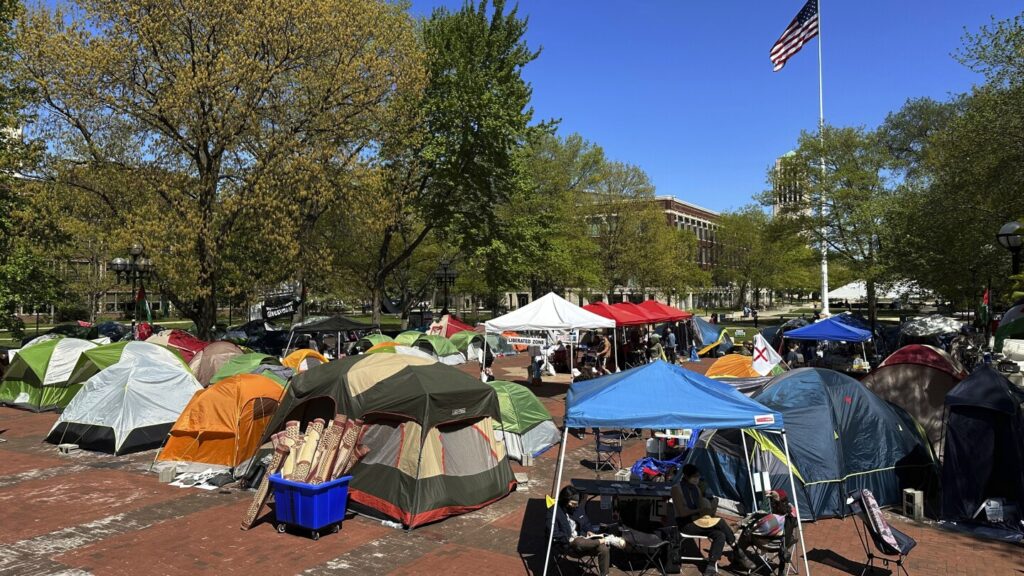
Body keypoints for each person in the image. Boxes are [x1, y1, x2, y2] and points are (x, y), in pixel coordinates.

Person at [672, 465, 754, 575]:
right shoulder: (677, 489)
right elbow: (682, 513)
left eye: (698, 476)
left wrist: (710, 506)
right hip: (686, 524)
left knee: (720, 535)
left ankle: (711, 565)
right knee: (720, 522)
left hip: (698, 520)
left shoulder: (696, 488)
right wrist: (700, 509)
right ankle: (738, 552)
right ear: (686, 476)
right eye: (695, 477)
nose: (697, 478)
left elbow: (701, 507)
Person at [547, 486, 625, 576]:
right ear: (565, 500)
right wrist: (568, 539)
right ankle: (608, 539)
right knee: (578, 542)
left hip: (585, 541)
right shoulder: (553, 512)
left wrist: (589, 531)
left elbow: (586, 523)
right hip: (567, 544)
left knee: (604, 549)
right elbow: (553, 533)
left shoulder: (578, 509)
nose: (575, 506)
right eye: (573, 504)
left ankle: (605, 574)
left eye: (577, 504)